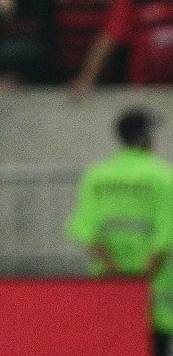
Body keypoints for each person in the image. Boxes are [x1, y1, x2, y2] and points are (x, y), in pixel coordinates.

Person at [68, 109, 173, 356]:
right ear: (148, 138)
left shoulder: (97, 175)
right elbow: (166, 231)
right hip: (153, 289)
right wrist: (143, 277)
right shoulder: (163, 176)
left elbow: (85, 231)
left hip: (109, 287)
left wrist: (114, 273)